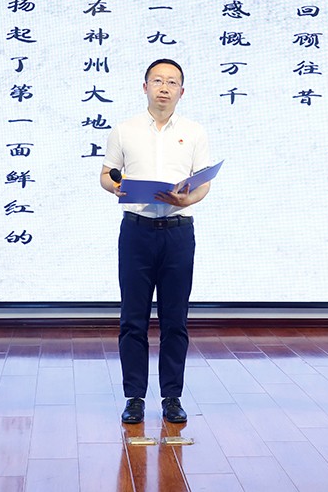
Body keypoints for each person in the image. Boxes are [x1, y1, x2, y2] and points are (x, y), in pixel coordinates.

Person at [100, 59, 212, 424]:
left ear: (182, 91)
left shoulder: (194, 132)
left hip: (179, 232)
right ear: (145, 86)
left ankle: (172, 397)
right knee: (132, 319)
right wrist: (115, 186)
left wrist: (187, 199)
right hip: (137, 231)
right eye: (158, 80)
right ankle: (134, 397)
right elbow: (106, 174)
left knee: (174, 319)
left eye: (172, 82)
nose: (164, 87)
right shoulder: (124, 130)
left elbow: (204, 182)